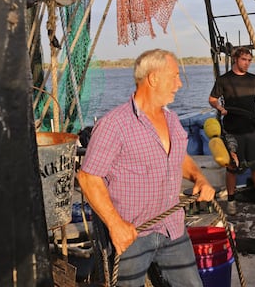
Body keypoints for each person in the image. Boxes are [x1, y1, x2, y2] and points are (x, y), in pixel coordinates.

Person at [77, 49, 215, 287]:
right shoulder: (114, 124)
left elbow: (178, 156)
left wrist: (198, 178)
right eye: (174, 76)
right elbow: (89, 178)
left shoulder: (171, 119)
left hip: (173, 229)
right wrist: (116, 225)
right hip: (132, 236)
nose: (179, 83)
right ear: (153, 78)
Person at [208, 46, 255, 215]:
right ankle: (231, 201)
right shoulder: (224, 80)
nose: (247, 63)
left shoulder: (254, 79)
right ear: (235, 59)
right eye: (243, 60)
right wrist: (219, 107)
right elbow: (212, 99)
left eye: (249, 60)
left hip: (253, 130)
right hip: (233, 131)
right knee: (232, 167)